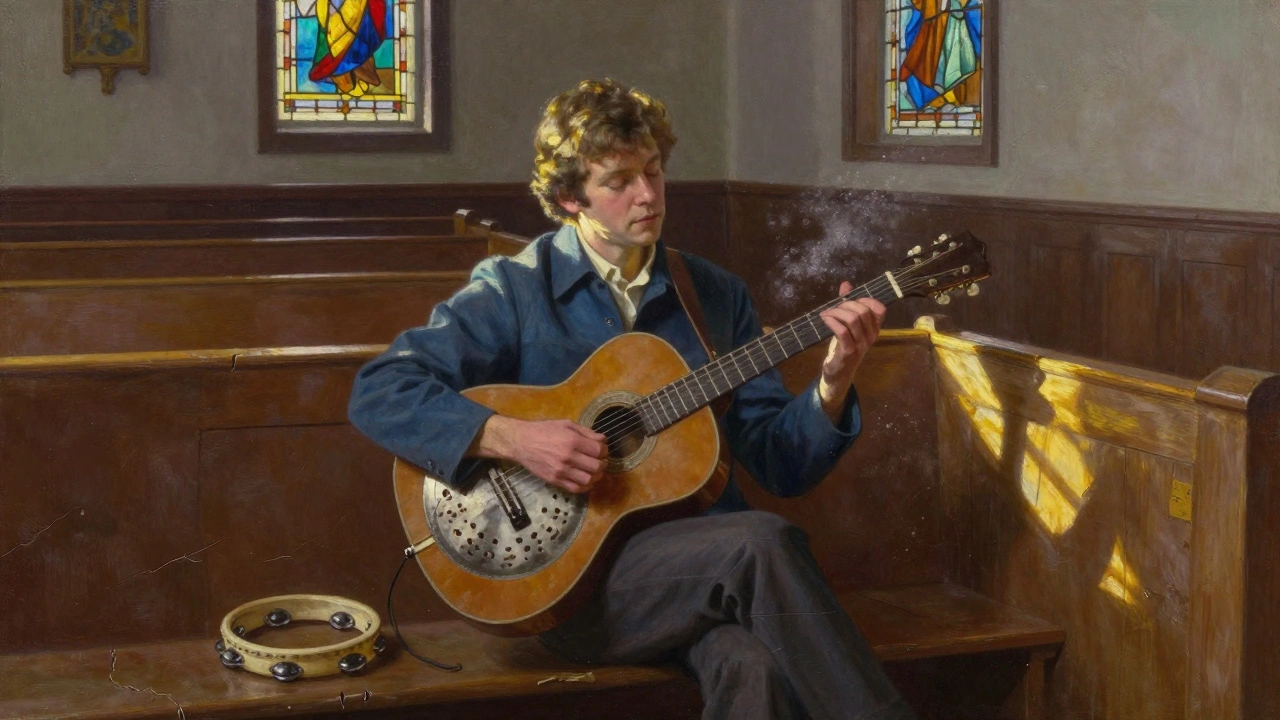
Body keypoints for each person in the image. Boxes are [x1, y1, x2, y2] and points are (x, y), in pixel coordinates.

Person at [348, 78, 915, 720]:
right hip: (573, 585)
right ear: (569, 198)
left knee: (751, 666)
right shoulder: (514, 288)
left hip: (707, 574)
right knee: (760, 543)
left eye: (653, 171)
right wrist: (513, 437)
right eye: (619, 181)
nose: (647, 195)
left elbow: (779, 465)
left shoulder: (714, 295)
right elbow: (380, 390)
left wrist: (833, 383)